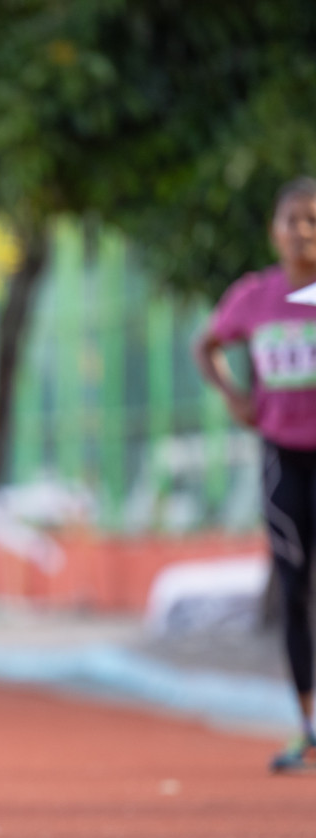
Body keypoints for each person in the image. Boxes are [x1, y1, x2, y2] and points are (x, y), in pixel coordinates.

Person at [195, 176, 316, 773]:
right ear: (274, 230)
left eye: (313, 219)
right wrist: (234, 397)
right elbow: (207, 346)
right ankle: (307, 728)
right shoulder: (255, 297)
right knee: (295, 594)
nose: (302, 230)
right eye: (292, 219)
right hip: (282, 457)